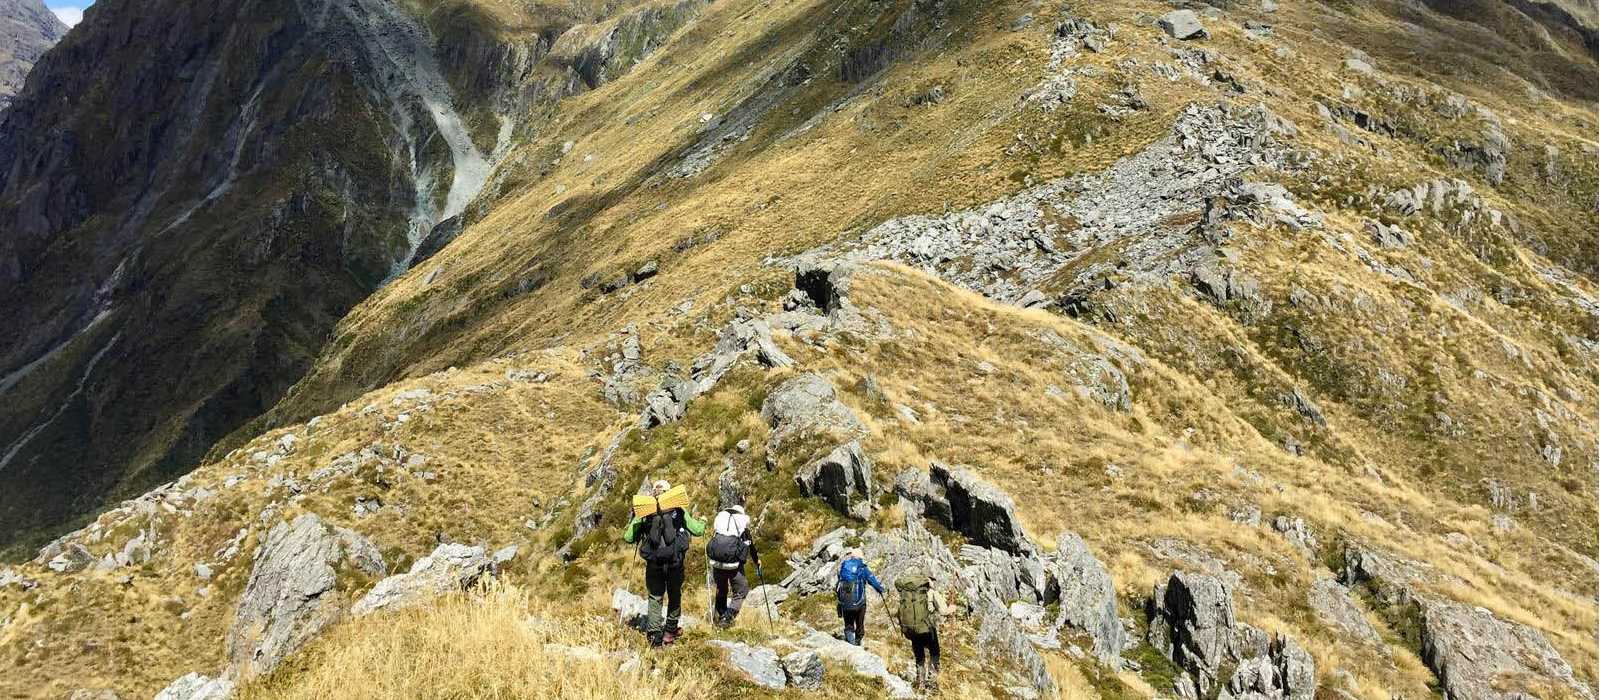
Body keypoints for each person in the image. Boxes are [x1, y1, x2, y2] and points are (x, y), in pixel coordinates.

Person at [623, 480, 706, 647]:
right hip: (675, 562)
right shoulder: (678, 509)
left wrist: (636, 521)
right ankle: (669, 633)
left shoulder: (645, 511)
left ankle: (654, 636)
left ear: (654, 493)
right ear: (669, 493)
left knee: (655, 597)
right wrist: (703, 521)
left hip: (654, 563)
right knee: (674, 595)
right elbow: (698, 530)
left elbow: (628, 537)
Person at [707, 502, 762, 627]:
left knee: (721, 589)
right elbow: (750, 546)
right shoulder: (742, 527)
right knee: (741, 590)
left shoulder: (721, 522)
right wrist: (756, 560)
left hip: (717, 563)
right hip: (733, 565)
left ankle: (719, 616)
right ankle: (728, 616)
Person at [895, 568, 950, 692]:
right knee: (935, 652)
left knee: (919, 655)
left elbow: (899, 612)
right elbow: (943, 611)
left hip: (913, 630)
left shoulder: (909, 593)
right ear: (929, 581)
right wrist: (952, 608)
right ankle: (932, 681)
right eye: (933, 580)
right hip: (928, 629)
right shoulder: (932, 593)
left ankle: (920, 682)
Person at [835, 548, 883, 646]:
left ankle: (850, 641)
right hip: (859, 603)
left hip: (845, 602)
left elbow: (838, 583)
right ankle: (857, 641)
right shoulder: (862, 568)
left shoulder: (843, 567)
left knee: (848, 624)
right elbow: (871, 579)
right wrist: (880, 589)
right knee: (859, 622)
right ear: (860, 557)